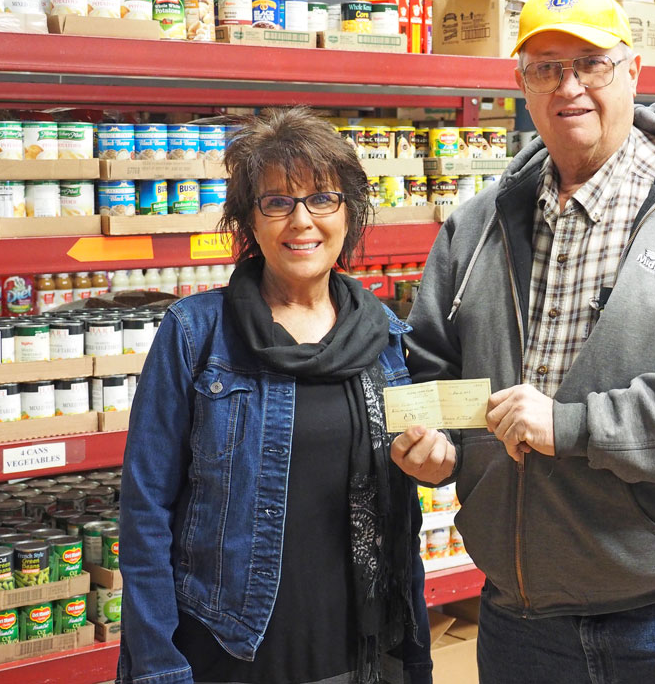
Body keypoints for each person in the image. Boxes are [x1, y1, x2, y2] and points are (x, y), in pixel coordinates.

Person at [390, 0, 655, 683]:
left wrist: (579, 425)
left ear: (633, 73)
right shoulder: (479, 223)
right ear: (522, 84)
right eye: (547, 67)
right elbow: (432, 369)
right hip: (524, 619)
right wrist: (436, 448)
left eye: (591, 64)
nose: (570, 87)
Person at [119, 107, 432, 684]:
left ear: (350, 212)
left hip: (357, 645)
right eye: (277, 202)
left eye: (322, 199)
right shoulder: (196, 333)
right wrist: (157, 666)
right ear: (249, 220)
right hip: (229, 646)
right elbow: (144, 514)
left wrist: (434, 464)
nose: (301, 221)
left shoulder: (384, 335)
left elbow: (404, 500)